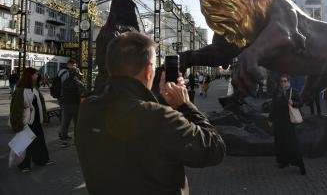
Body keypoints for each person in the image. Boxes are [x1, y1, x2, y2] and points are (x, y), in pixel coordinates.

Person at [76, 32, 225, 194]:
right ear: (148, 70)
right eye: (154, 66)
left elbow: (134, 118)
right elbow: (214, 149)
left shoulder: (88, 108)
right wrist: (185, 105)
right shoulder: (161, 118)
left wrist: (158, 100)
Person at [9, 67, 54, 172]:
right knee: (26, 143)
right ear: (30, 76)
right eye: (35, 74)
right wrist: (17, 122)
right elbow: (15, 108)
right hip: (26, 121)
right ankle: (24, 165)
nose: (37, 76)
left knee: (39, 141)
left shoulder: (35, 88)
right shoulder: (20, 90)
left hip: (36, 120)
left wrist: (44, 117)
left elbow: (40, 104)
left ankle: (41, 160)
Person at [94, 0, 140, 94]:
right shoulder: (132, 33)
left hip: (102, 87)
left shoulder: (104, 30)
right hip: (126, 91)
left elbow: (100, 60)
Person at [268, 75, 306, 175]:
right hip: (278, 121)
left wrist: (293, 103)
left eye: (285, 81)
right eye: (281, 81)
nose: (283, 83)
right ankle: (283, 162)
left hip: (289, 122)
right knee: (280, 142)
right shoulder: (277, 92)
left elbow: (301, 103)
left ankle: (300, 165)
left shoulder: (294, 92)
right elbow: (273, 106)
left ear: (289, 82)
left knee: (293, 143)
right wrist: (270, 118)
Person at [60, 67, 86, 148]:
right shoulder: (78, 82)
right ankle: (77, 140)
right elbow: (82, 93)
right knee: (77, 124)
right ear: (76, 74)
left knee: (65, 123)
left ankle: (64, 140)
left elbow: (62, 93)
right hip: (75, 105)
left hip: (65, 104)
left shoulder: (65, 82)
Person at [57, 59, 77, 141]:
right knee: (67, 118)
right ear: (70, 64)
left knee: (64, 116)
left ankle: (62, 133)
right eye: (74, 65)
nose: (75, 67)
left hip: (60, 96)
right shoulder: (68, 73)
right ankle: (63, 134)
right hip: (67, 98)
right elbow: (69, 86)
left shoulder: (60, 71)